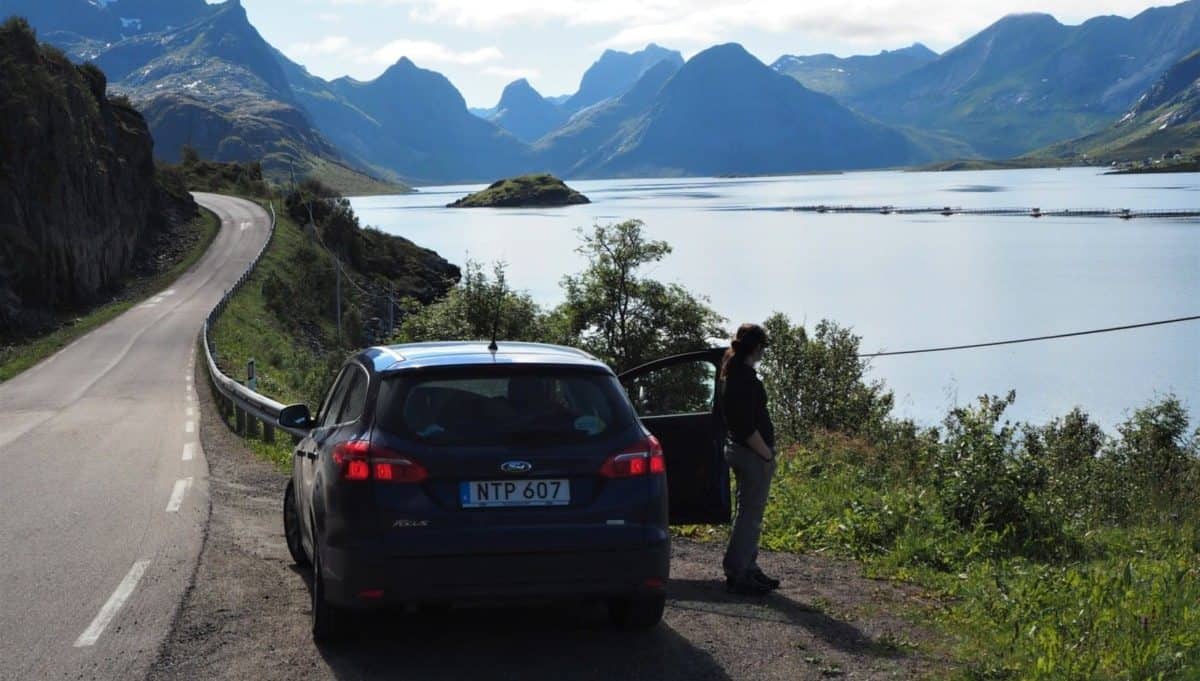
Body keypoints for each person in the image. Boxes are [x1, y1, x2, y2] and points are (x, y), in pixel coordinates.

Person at [717, 323, 780, 596]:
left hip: (742, 450)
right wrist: (766, 454)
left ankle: (748, 566)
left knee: (749, 513)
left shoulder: (735, 373)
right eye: (763, 347)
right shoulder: (742, 379)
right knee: (750, 516)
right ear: (756, 348)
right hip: (751, 453)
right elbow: (744, 426)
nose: (764, 352)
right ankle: (739, 572)